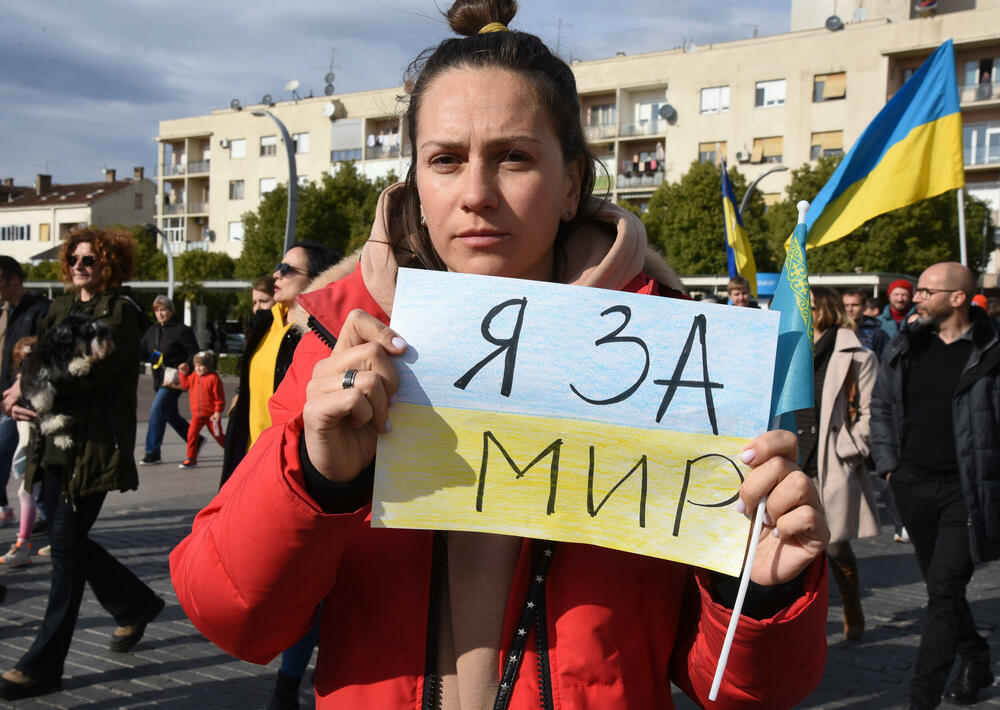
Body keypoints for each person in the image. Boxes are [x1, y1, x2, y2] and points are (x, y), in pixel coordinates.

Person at [170, 4, 830, 708]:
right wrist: (315, 477)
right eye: (446, 160)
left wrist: (756, 589)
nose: (476, 195)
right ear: (415, 184)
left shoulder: (677, 361)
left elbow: (740, 689)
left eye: (514, 157)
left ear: (571, 184)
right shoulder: (340, 344)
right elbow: (235, 617)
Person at [0, 228, 165, 701]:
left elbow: (89, 370)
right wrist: (21, 388)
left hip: (92, 448)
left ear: (109, 264)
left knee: (65, 552)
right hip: (53, 442)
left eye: (89, 260)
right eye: (73, 258)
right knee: (65, 539)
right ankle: (134, 604)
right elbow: (34, 356)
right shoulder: (60, 307)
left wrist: (26, 382)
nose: (78, 266)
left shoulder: (122, 311)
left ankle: (43, 666)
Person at [872, 262, 1000, 709]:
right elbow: (881, 406)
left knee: (944, 589)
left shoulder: (991, 351)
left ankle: (921, 699)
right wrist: (889, 467)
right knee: (940, 590)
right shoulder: (907, 344)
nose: (916, 298)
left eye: (927, 291)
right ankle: (976, 657)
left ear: (957, 298)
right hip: (912, 486)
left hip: (965, 494)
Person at [220, 243, 341, 709]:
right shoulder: (265, 322)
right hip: (254, 467)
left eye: (289, 269)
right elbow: (249, 397)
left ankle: (288, 686)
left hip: (296, 474)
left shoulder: (314, 332)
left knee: (307, 588)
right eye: (277, 266)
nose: (277, 274)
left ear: (316, 279)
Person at [798, 287, 879, 641]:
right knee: (794, 546)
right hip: (795, 457)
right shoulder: (793, 349)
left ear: (824, 310)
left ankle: (851, 604)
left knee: (836, 545)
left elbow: (870, 412)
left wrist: (854, 447)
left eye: (809, 306)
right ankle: (803, 622)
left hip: (831, 458)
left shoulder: (858, 355)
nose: (803, 311)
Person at [0, 256, 49, 528]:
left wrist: (21, 389)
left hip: (28, 403)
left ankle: (44, 515)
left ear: (14, 280)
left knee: (29, 464)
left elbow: (42, 357)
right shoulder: (9, 311)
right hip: (8, 400)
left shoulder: (40, 310)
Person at [138, 295, 200, 465]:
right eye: (157, 311)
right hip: (159, 380)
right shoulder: (152, 331)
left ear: (171, 311)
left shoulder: (182, 330)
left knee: (157, 409)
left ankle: (152, 452)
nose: (160, 314)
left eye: (163, 310)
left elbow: (194, 352)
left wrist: (186, 364)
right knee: (170, 414)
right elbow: (141, 351)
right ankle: (195, 440)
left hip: (175, 379)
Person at [0, 336, 42, 567]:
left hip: (40, 447)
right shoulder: (21, 382)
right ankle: (24, 543)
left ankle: (24, 543)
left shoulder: (38, 382)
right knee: (28, 492)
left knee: (30, 492)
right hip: (31, 448)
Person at [177, 351, 225, 469]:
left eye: (201, 366)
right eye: (196, 366)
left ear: (208, 366)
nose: (198, 368)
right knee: (191, 435)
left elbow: (219, 398)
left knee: (219, 436)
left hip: (211, 416)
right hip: (197, 415)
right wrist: (182, 373)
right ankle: (191, 458)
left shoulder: (214, 379)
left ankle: (234, 453)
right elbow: (185, 385)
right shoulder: (194, 376)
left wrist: (217, 411)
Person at [842, 287, 890, 361]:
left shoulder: (878, 334)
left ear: (864, 307)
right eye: (846, 305)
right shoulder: (834, 331)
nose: (849, 309)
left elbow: (884, 362)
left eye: (855, 305)